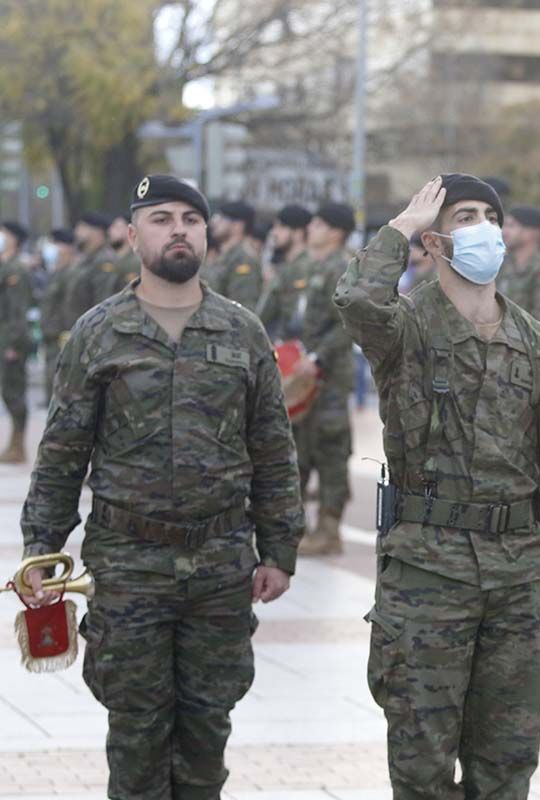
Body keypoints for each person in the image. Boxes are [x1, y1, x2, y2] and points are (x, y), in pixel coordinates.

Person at [18, 174, 304, 799]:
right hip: (129, 563)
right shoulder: (98, 332)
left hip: (221, 561)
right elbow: (63, 450)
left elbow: (273, 448)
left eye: (191, 220)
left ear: (206, 235)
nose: (178, 229)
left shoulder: (241, 331)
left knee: (206, 736)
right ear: (132, 235)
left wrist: (280, 550)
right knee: (137, 738)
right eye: (161, 218)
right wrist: (41, 548)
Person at [334, 174, 540, 797]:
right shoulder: (406, 328)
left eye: (489, 216)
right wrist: (398, 232)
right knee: (422, 768)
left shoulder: (538, 345)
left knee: (507, 767)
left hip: (517, 580)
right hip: (427, 576)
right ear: (435, 240)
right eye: (463, 217)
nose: (482, 227)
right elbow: (356, 301)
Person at [294, 202, 356, 556]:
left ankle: (330, 529)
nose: (311, 228)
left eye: (318, 223)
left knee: (331, 450)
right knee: (300, 449)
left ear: (334, 231)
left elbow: (349, 323)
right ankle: (300, 526)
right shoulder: (308, 265)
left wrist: (317, 357)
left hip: (330, 378)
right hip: (301, 380)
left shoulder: (345, 267)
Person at [256, 204, 314, 340]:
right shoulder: (285, 267)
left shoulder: (303, 268)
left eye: (281, 227)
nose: (274, 232)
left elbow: (295, 318)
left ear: (298, 233)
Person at [499, 204, 540, 328]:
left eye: (511, 226)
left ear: (531, 232)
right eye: (505, 226)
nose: (504, 231)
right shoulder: (502, 263)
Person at [0, 220, 32, 463]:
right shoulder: (5, 266)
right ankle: (13, 443)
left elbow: (17, 311)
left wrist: (14, 344)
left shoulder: (16, 270)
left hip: (11, 339)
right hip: (4, 336)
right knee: (7, 391)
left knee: (14, 392)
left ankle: (19, 444)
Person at [38, 228, 77, 403]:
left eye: (56, 244)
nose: (52, 248)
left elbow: (70, 307)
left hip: (63, 337)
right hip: (51, 337)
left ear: (68, 247)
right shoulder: (56, 273)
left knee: (61, 390)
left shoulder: (71, 274)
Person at [66, 212, 117, 329]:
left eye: (83, 227)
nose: (77, 232)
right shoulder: (88, 260)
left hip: (94, 333)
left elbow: (103, 304)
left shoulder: (104, 261)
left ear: (97, 232)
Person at [209, 200, 262, 309]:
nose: (214, 222)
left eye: (222, 218)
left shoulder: (243, 260)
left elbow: (242, 308)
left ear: (238, 226)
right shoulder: (225, 256)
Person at [106, 213, 141, 297]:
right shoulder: (112, 260)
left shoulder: (136, 262)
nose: (110, 231)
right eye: (112, 227)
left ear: (130, 231)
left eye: (117, 227)